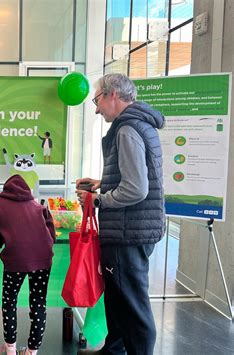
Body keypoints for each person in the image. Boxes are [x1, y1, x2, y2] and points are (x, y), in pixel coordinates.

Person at [76, 73, 165, 355]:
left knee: (133, 305)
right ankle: (113, 351)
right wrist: (103, 182)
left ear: (113, 94)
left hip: (128, 231)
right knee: (117, 300)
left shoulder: (127, 129)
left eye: (97, 99)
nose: (96, 107)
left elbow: (136, 189)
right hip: (131, 228)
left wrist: (98, 200)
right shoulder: (138, 125)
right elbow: (141, 175)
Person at [0, 174, 56, 355]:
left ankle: (10, 349)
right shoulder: (38, 206)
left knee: (9, 302)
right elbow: (51, 236)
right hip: (42, 258)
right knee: (38, 303)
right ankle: (32, 351)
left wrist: (4, 240)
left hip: (15, 259)